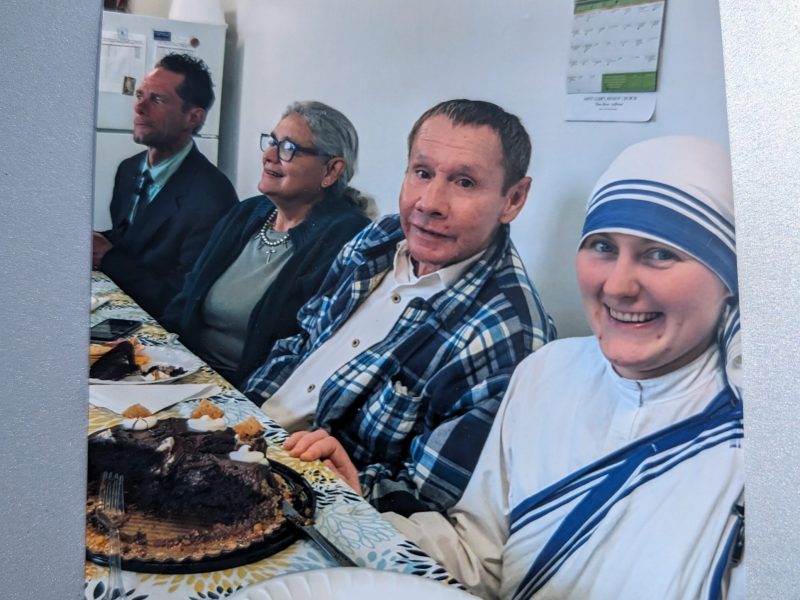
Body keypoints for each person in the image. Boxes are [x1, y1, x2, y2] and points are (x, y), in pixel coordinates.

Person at [387, 135, 744, 600]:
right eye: (602, 246)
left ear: (730, 275)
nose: (617, 286)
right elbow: (482, 559)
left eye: (660, 254)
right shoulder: (547, 374)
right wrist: (347, 517)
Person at [244, 99, 557, 516]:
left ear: (513, 199)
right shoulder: (380, 237)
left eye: (464, 182)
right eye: (422, 173)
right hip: (246, 436)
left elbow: (428, 501)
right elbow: (303, 338)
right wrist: (240, 418)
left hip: (310, 503)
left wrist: (350, 482)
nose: (429, 202)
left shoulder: (507, 333)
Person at [160, 101, 372, 387]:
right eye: (272, 142)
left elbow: (304, 350)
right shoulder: (247, 213)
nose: (269, 156)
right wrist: (159, 357)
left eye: (289, 148)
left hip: (247, 392)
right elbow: (188, 293)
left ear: (331, 171)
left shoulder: (345, 236)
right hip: (184, 372)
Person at [92, 53, 237, 318]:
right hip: (120, 311)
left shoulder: (213, 197)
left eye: (157, 99)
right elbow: (132, 242)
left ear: (193, 117)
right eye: (139, 96)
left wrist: (108, 258)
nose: (139, 108)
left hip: (162, 332)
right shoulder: (128, 169)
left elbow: (182, 298)